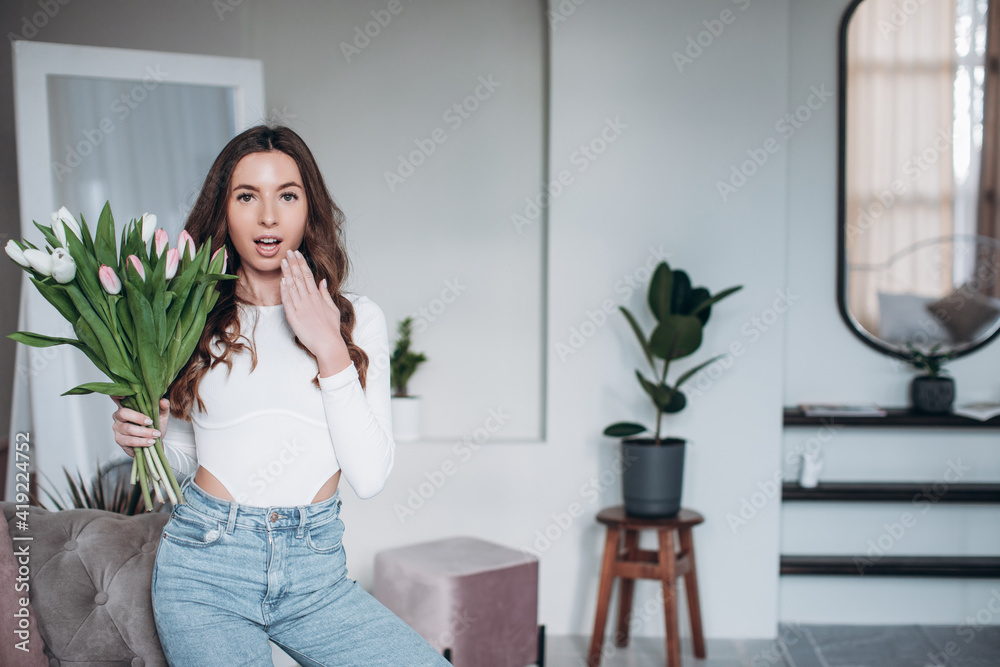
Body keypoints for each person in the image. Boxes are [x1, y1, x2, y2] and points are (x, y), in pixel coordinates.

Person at [110, 125, 451, 667]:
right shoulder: (188, 320)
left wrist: (329, 347)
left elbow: (368, 476)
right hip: (205, 571)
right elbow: (185, 459)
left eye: (287, 195)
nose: (268, 216)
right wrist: (141, 439)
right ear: (223, 210)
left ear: (307, 208)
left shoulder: (357, 318)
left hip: (316, 575)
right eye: (247, 196)